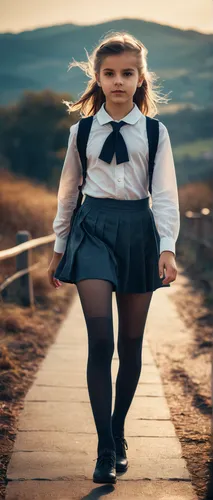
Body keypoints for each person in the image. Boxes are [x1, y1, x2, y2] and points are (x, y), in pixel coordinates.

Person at [47, 31, 180, 485]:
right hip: (93, 231)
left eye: (127, 73)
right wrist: (59, 247)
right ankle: (104, 446)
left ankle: (119, 429)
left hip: (138, 232)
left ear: (140, 78)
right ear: (98, 78)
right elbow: (68, 193)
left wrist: (167, 246)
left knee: (130, 345)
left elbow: (163, 194)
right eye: (109, 74)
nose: (118, 81)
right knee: (101, 341)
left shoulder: (155, 132)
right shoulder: (81, 131)